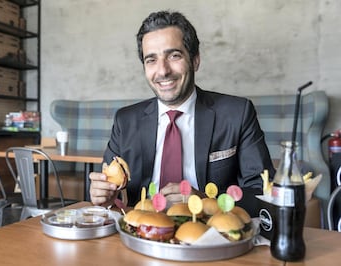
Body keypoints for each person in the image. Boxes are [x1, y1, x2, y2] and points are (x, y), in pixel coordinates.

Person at [89, 10, 275, 216]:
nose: (162, 71)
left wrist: (205, 201)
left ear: (195, 60)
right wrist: (105, 197)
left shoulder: (237, 114)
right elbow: (112, 191)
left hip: (208, 234)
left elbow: (263, 193)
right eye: (151, 60)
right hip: (141, 234)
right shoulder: (125, 121)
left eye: (174, 56)